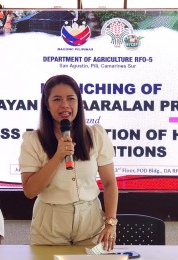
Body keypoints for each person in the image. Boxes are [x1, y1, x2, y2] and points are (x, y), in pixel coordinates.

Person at [19, 74, 118, 250]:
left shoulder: (95, 135)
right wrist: (57, 156)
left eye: (71, 98)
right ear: (47, 106)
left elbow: (110, 183)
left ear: (78, 103)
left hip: (91, 222)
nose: (65, 105)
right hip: (50, 223)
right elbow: (30, 190)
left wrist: (110, 223)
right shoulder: (33, 140)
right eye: (57, 99)